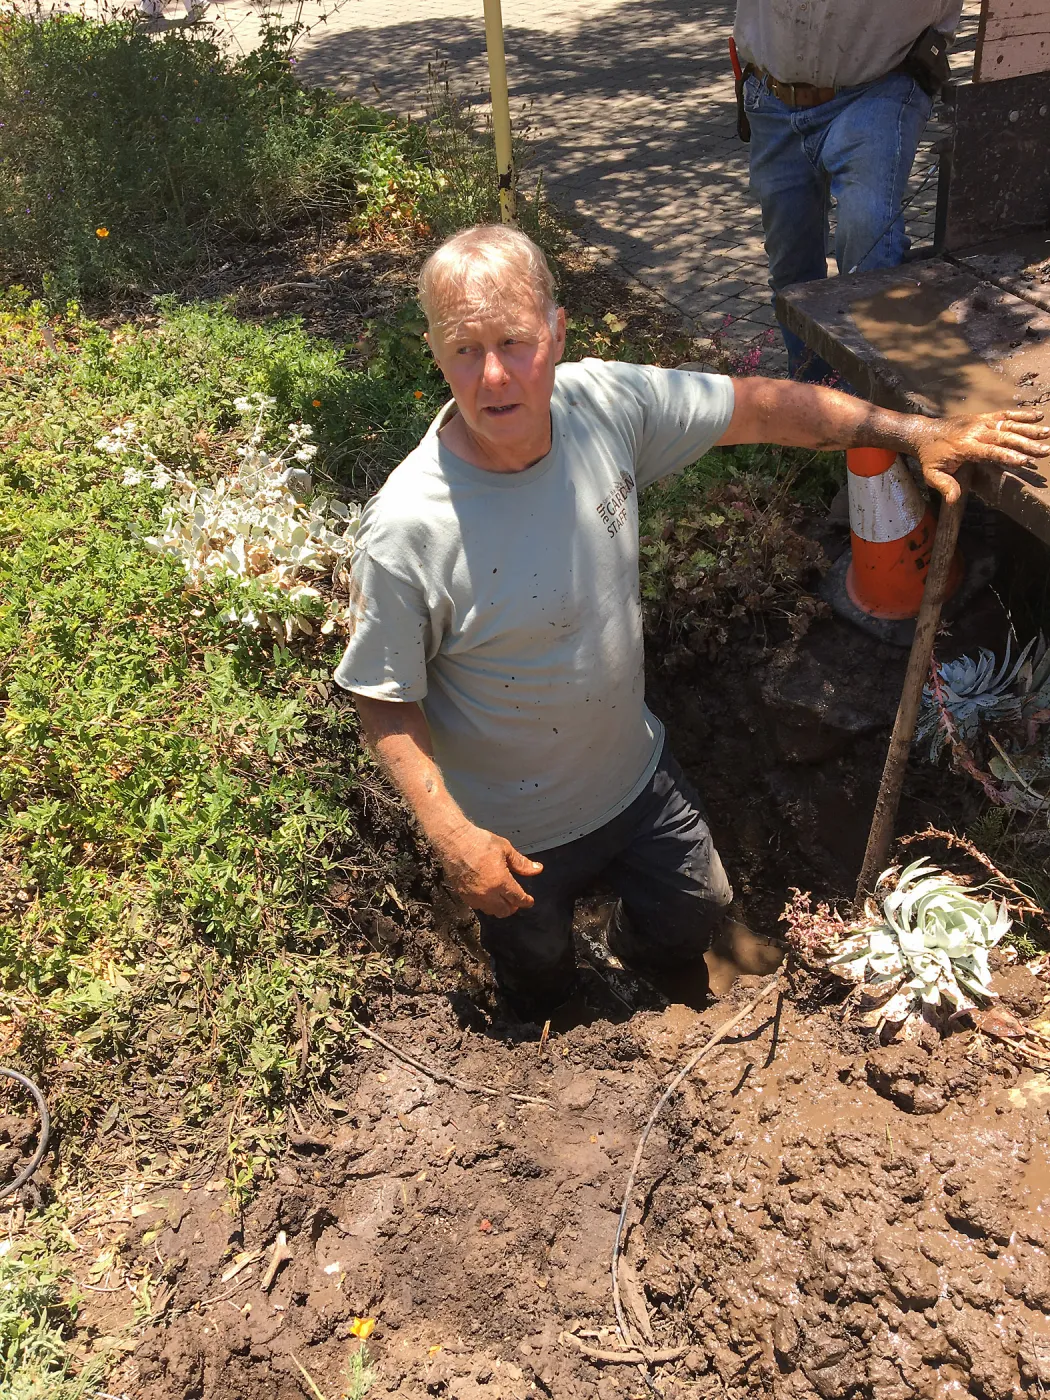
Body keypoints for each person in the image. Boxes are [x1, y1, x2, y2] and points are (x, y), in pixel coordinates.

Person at [335, 223, 1048, 1022]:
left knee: (693, 916)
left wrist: (912, 433)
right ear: (435, 349)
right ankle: (561, 1012)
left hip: (633, 778)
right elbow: (382, 694)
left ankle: (634, 960)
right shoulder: (407, 528)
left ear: (558, 332)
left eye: (516, 341)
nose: (494, 374)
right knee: (538, 983)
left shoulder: (603, 405)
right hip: (512, 834)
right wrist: (452, 837)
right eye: (466, 348)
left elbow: (760, 407)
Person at [733, 1, 961, 379]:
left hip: (881, 83)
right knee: (791, 268)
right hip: (770, 91)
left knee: (869, 242)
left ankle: (874, 412)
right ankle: (814, 403)